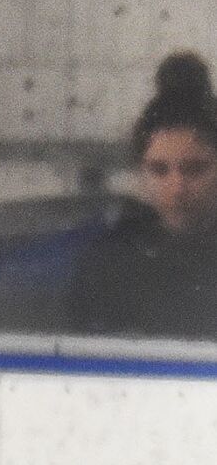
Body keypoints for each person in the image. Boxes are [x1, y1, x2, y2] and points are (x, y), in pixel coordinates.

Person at [66, 51, 217, 339]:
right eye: (160, 171)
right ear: (141, 173)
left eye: (195, 169)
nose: (177, 189)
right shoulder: (109, 264)